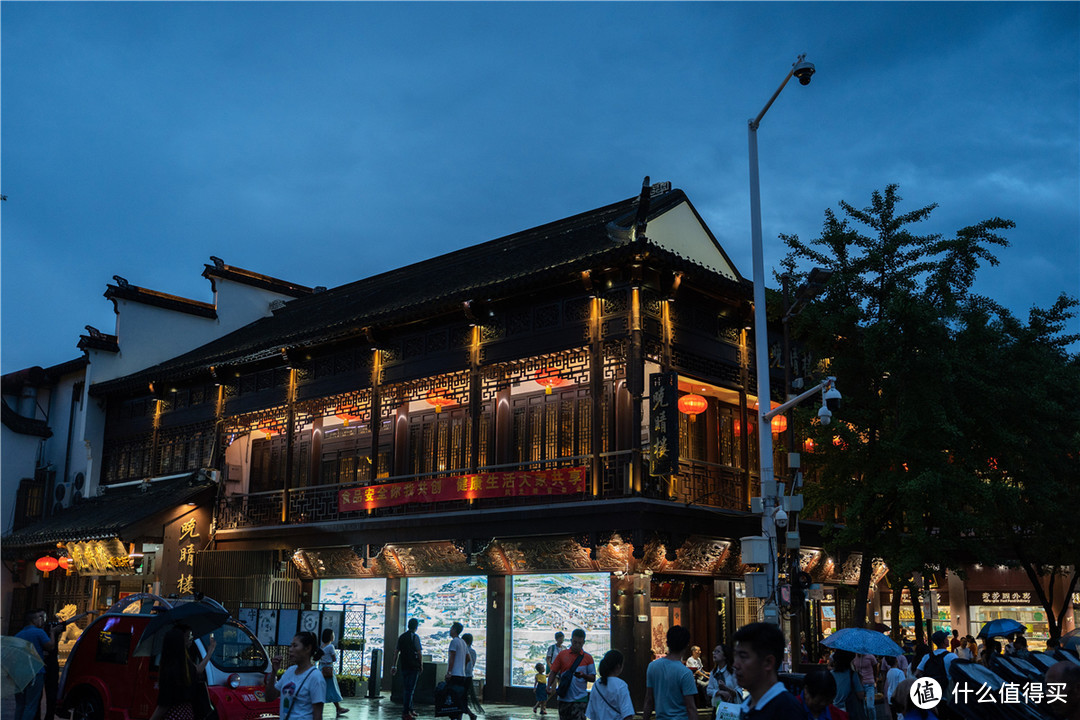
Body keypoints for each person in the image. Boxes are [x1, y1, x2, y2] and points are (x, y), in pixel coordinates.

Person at [730, 622, 803, 718]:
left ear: (768, 662)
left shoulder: (787, 709)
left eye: (743, 656)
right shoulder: (747, 704)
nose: (736, 665)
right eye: (736, 655)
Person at [148, 625, 217, 720]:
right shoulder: (186, 665)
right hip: (188, 714)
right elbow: (198, 670)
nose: (191, 639)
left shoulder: (170, 670)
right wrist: (210, 652)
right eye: (188, 636)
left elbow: (164, 704)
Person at [266, 631, 326, 720]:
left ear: (308, 648)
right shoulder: (290, 671)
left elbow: (317, 715)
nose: (290, 649)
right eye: (291, 646)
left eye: (295, 646)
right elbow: (269, 697)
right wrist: (274, 671)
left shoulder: (316, 677)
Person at [641, 625, 697, 720]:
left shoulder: (653, 667)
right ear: (686, 645)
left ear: (667, 643)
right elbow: (691, 708)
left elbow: (649, 700)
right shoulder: (685, 673)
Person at [14, 609, 61, 720]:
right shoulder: (38, 632)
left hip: (19, 673)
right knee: (30, 705)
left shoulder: (18, 634)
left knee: (20, 705)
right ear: (33, 620)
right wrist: (53, 633)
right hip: (35, 672)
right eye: (39, 618)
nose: (42, 620)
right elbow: (50, 646)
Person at [547, 628, 595, 720]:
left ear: (583, 642)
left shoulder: (588, 658)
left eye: (580, 643)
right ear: (571, 640)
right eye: (575, 642)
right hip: (564, 699)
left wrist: (583, 676)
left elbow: (593, 678)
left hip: (580, 699)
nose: (577, 645)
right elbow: (553, 672)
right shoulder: (562, 655)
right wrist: (548, 685)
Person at [586, 650, 635, 720]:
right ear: (618, 666)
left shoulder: (596, 685)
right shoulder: (621, 685)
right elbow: (627, 714)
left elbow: (591, 713)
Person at [393, 618, 423, 720]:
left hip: (404, 665)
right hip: (413, 666)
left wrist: (394, 665)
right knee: (410, 690)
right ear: (416, 627)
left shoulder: (401, 637)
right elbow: (419, 653)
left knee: (407, 688)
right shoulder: (415, 637)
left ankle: (410, 709)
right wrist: (421, 665)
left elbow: (396, 652)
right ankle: (406, 712)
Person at [831, 650, 867, 720]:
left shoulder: (831, 674)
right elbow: (860, 695)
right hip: (848, 711)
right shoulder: (852, 674)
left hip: (833, 710)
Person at [319, 629, 348, 716]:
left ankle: (337, 707)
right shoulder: (330, 647)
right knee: (332, 688)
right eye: (333, 634)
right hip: (329, 669)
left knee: (323, 688)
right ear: (330, 637)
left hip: (321, 668)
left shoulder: (322, 646)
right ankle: (338, 708)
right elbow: (334, 659)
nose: (334, 636)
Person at [445, 622, 469, 720]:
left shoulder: (454, 641)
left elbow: (452, 657)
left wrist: (449, 672)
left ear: (454, 630)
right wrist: (462, 666)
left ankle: (453, 717)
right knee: (459, 697)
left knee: (452, 698)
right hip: (462, 674)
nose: (450, 630)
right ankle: (459, 717)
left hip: (454, 674)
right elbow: (468, 658)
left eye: (451, 628)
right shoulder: (463, 642)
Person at [461, 633, 482, 720]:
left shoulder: (463, 651)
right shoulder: (473, 652)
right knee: (463, 696)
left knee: (460, 696)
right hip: (469, 676)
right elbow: (472, 664)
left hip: (462, 676)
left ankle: (469, 714)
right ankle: (469, 714)